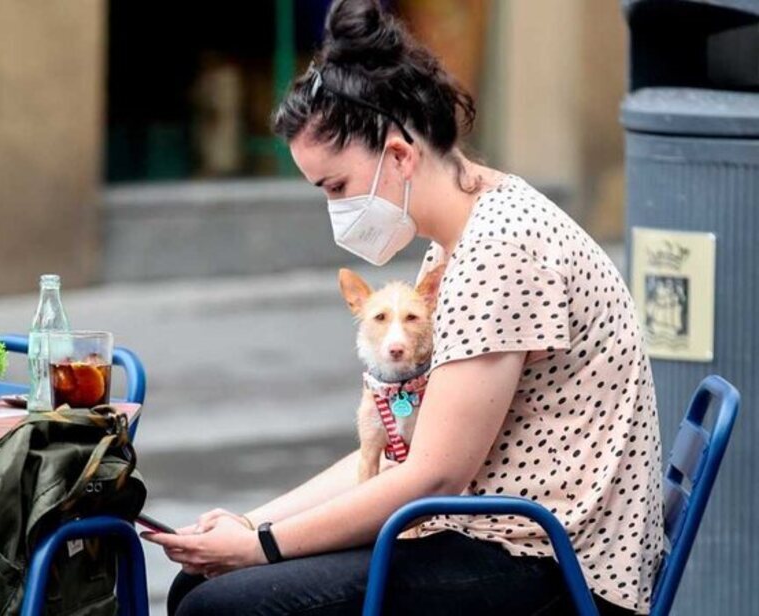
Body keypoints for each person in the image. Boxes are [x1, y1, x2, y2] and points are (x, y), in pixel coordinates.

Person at [143, 1, 662, 614]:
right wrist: (247, 524)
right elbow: (397, 451)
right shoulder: (461, 239)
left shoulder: (502, 250)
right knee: (200, 583)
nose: (334, 209)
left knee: (217, 606)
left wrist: (259, 546)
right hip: (496, 538)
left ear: (398, 155)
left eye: (335, 187)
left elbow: (431, 477)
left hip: (552, 570)